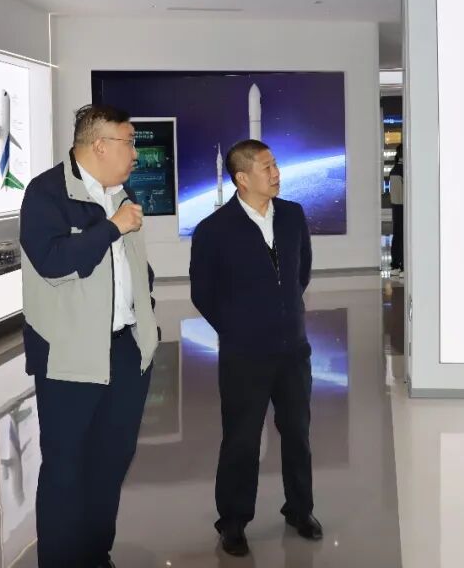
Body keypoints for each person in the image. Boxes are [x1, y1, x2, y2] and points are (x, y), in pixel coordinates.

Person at [20, 104, 159, 568]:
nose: (135, 153)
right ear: (99, 145)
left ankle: (96, 554)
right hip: (69, 360)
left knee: (111, 463)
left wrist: (146, 313)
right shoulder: (46, 194)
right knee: (65, 469)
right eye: (129, 142)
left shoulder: (122, 192)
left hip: (125, 353)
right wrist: (111, 227)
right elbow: (53, 262)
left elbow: (135, 267)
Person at [189, 139, 322, 558]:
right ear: (242, 178)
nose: (277, 173)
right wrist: (238, 329)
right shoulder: (214, 230)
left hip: (293, 351)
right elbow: (203, 293)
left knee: (298, 434)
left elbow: (301, 273)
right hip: (244, 357)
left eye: (276, 164)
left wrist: (284, 313)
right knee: (242, 440)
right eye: (267, 167)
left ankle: (300, 509)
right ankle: (233, 521)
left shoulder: (293, 216)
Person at [389, 144, 405, 275]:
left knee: (397, 235)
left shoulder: (394, 170)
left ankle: (395, 265)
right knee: (403, 236)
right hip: (403, 207)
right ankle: (403, 266)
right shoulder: (403, 171)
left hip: (396, 207)